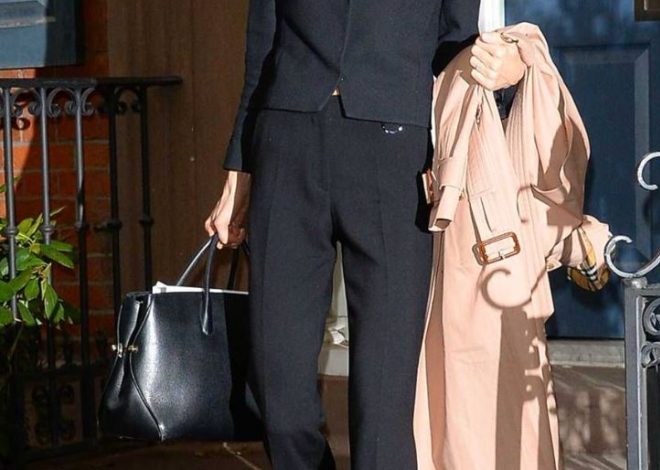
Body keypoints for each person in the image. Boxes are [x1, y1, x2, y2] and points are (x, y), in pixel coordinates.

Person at [204, 1, 528, 468]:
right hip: (286, 146)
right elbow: (261, 45)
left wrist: (511, 70)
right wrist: (240, 169)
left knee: (383, 408)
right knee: (277, 390)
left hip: (396, 156)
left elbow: (457, 43)